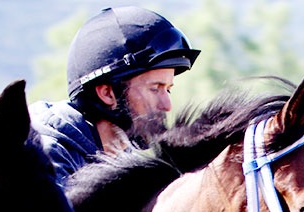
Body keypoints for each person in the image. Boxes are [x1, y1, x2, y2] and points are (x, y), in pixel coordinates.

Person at [30, 6, 199, 186]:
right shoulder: (47, 160)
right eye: (155, 89)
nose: (167, 105)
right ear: (108, 94)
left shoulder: (126, 165)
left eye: (168, 89)